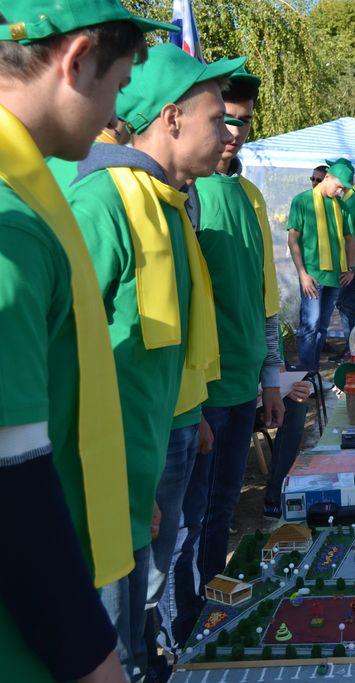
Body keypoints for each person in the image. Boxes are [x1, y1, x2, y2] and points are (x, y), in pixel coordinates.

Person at [0, 3, 170, 680]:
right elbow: (11, 487)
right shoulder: (11, 223)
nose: (113, 109)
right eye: (119, 82)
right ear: (75, 60)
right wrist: (95, 659)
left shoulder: (29, 194)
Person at [67, 43, 238, 680]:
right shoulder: (104, 205)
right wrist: (126, 485)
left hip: (165, 438)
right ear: (171, 118)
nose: (227, 134)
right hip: (117, 472)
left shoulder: (169, 206)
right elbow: (79, 361)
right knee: (120, 635)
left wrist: (189, 416)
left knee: (146, 608)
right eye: (217, 118)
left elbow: (168, 341)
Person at [163, 64, 286, 656]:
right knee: (188, 526)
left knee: (224, 516)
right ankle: (183, 630)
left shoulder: (251, 195)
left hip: (242, 383)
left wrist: (271, 378)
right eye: (224, 121)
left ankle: (215, 614)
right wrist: (193, 401)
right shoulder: (186, 197)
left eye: (241, 123)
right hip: (200, 397)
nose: (232, 134)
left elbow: (263, 298)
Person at [286, 160, 355, 370]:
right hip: (312, 277)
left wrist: (350, 269)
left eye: (343, 188)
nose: (340, 190)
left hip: (335, 277)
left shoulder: (341, 206)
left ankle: (313, 372)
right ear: (327, 177)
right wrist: (303, 274)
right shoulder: (302, 201)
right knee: (310, 325)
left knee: (322, 327)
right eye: (338, 186)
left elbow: (350, 239)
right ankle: (306, 375)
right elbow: (293, 239)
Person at [325, 158, 355, 342]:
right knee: (344, 303)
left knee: (346, 304)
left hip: (349, 259)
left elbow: (343, 230)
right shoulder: (348, 196)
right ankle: (351, 345)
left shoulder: (354, 199)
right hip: (344, 258)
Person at [263, 378, 313, 518]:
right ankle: (217, 511)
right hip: (229, 400)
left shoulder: (271, 355)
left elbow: (281, 370)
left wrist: (293, 388)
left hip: (265, 395)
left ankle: (275, 496)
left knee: (297, 405)